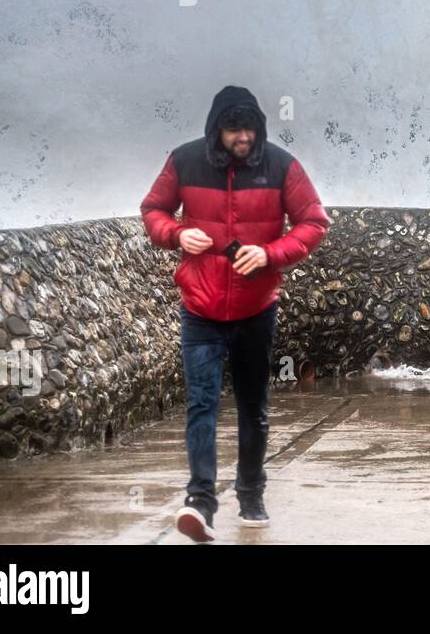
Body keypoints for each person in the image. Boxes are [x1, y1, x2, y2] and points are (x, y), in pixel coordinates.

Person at [140, 85, 329, 542]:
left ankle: (250, 494)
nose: (243, 137)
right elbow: (153, 211)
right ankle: (200, 503)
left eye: (249, 128)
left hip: (255, 309)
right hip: (199, 308)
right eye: (233, 129)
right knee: (201, 404)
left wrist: (269, 254)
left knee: (253, 407)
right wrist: (176, 235)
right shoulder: (185, 161)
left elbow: (314, 222)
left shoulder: (281, 165)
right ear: (215, 130)